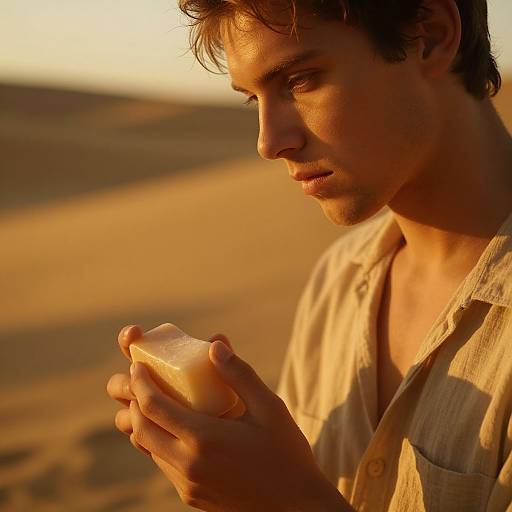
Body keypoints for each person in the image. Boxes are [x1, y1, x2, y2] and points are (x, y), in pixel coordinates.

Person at [106, 0, 512, 510]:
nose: (269, 142)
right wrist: (239, 458)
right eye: (253, 99)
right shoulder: (338, 280)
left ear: (428, 35)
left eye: (300, 81)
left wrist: (286, 501)